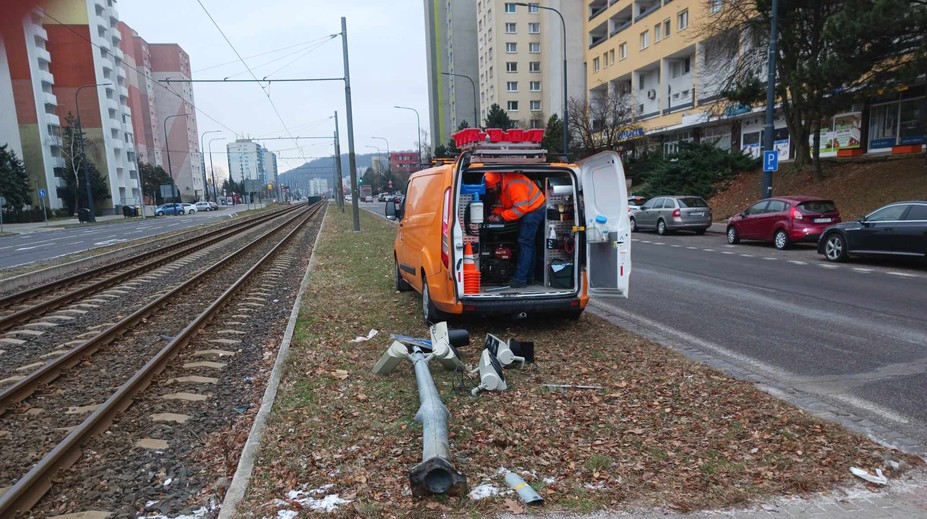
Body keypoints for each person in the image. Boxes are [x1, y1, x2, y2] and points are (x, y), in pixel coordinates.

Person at [484, 172, 546, 288]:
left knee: (525, 243)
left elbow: (520, 209)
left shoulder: (514, 185)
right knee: (528, 244)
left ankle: (520, 280)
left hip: (534, 210)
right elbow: (503, 205)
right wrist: (494, 214)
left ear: (498, 183)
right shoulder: (503, 186)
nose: (490, 191)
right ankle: (530, 277)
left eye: (491, 189)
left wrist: (501, 217)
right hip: (528, 209)